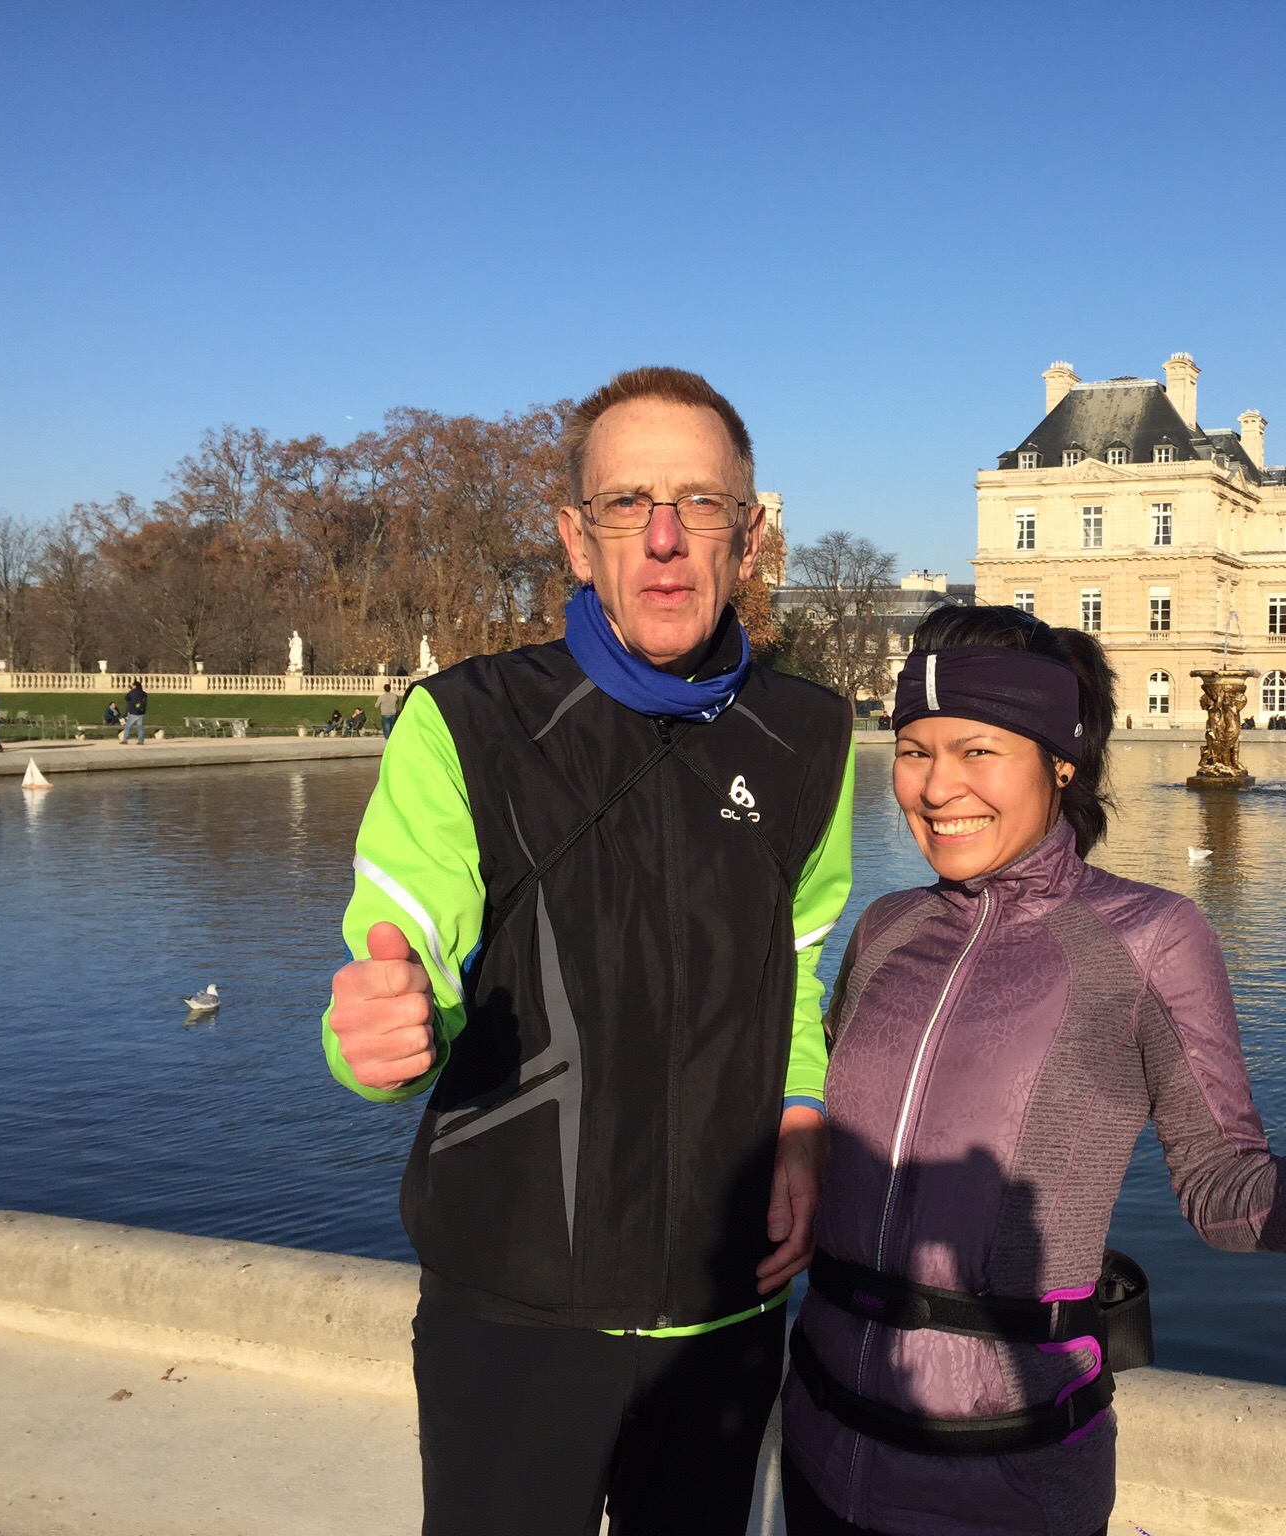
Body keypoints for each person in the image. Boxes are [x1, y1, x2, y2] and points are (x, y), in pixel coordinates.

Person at [320, 367, 854, 1536]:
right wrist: (380, 1036)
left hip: (722, 1312)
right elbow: (404, 961)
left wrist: (803, 1120)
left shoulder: (812, 735)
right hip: (512, 1312)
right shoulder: (463, 722)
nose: (664, 538)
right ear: (575, 537)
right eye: (625, 505)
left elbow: (798, 972)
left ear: (749, 536)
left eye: (700, 503)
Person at [779, 606, 1286, 1536]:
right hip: (819, 1450)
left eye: (976, 751)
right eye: (914, 750)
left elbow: (1222, 1188)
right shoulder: (887, 929)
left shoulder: (1150, 940)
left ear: (1061, 760)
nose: (935, 787)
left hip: (1007, 1487)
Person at [121, 680, 148, 745]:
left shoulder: (132, 692)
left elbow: (126, 698)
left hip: (133, 712)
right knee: (140, 727)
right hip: (141, 712)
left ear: (135, 686)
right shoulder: (143, 693)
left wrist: (131, 691)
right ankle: (141, 741)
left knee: (128, 726)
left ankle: (125, 740)